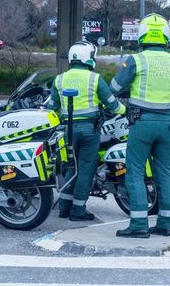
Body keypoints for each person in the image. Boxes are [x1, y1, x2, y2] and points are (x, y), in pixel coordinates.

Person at [110, 13, 170, 238]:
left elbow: (115, 86)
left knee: (135, 172)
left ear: (142, 35)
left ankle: (139, 224)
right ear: (165, 36)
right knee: (163, 172)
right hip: (168, 124)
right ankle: (166, 223)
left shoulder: (136, 60)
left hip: (142, 123)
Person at [48, 40, 126, 221]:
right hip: (89, 131)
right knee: (85, 170)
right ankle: (78, 210)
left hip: (67, 131)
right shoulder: (95, 78)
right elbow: (112, 104)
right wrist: (125, 111)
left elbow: (52, 107)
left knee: (70, 168)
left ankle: (64, 207)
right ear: (88, 59)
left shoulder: (59, 79)